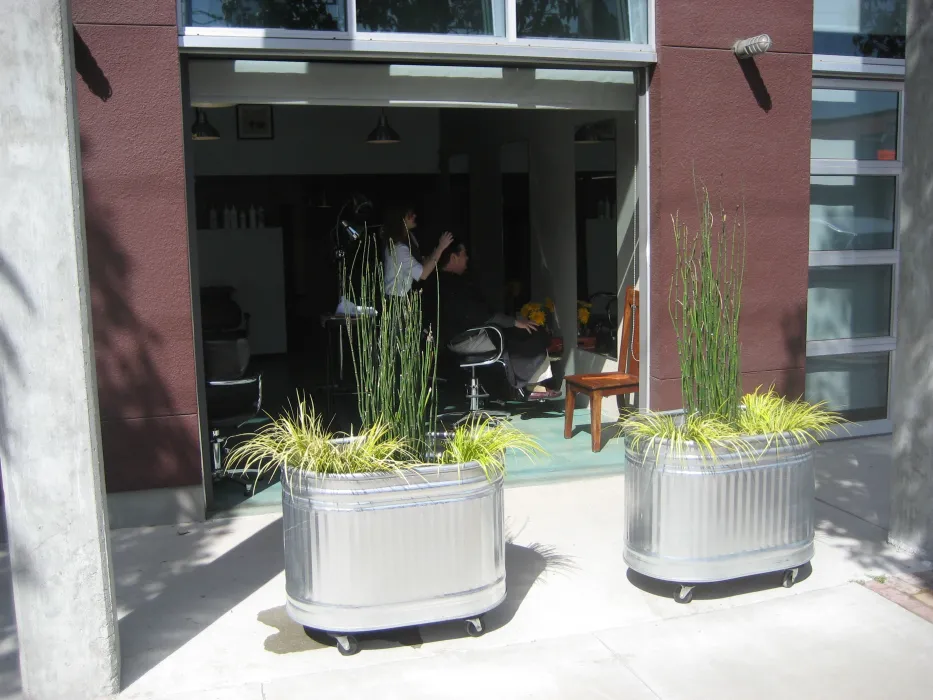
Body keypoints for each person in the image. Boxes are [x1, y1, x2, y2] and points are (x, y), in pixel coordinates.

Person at [437, 242, 559, 400]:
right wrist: (515, 323)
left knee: (529, 331)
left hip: (468, 334)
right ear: (453, 257)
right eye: (464, 254)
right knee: (528, 334)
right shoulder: (450, 286)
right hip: (465, 338)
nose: (467, 258)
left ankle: (531, 385)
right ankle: (530, 387)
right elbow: (478, 314)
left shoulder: (450, 282)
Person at [382, 205, 454, 297]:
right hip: (396, 298)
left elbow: (422, 264)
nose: (414, 216)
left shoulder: (411, 238)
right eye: (410, 215)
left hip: (408, 295)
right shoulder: (398, 248)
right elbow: (423, 274)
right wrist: (441, 247)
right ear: (401, 219)